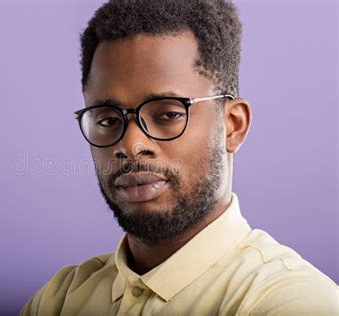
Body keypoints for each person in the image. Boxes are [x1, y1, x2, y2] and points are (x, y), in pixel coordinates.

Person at [22, 0, 338, 314]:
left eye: (169, 114)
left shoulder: (292, 302)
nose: (131, 145)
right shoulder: (58, 300)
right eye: (108, 120)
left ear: (232, 126)